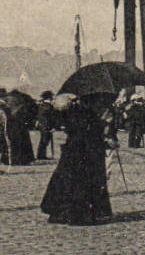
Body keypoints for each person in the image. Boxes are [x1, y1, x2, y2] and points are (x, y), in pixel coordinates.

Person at [39, 92, 114, 225]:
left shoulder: (69, 113)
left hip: (71, 151)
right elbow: (90, 131)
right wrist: (104, 124)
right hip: (84, 152)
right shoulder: (86, 113)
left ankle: (59, 213)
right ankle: (80, 216)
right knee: (82, 183)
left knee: (65, 181)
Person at [35, 90, 57, 160]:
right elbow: (51, 118)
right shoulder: (48, 106)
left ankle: (41, 155)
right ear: (49, 97)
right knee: (45, 141)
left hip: (43, 125)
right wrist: (52, 127)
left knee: (44, 140)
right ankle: (41, 156)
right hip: (46, 126)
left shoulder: (42, 105)